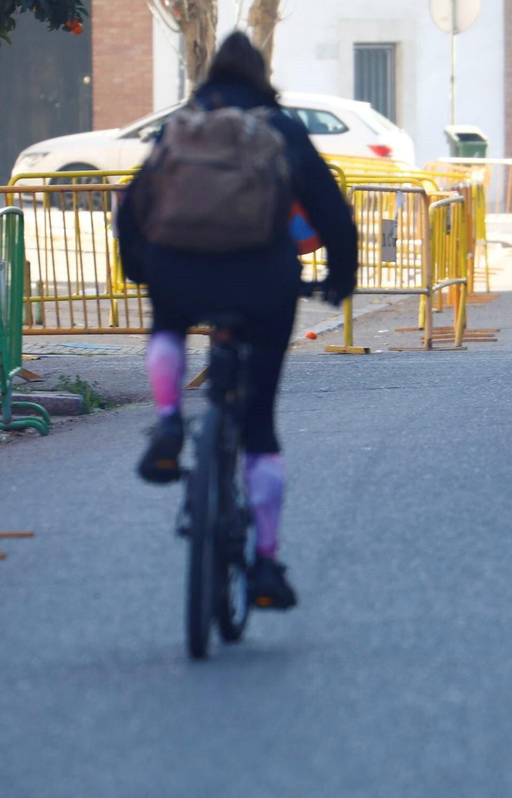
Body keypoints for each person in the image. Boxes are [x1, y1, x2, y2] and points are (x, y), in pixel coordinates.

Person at [115, 32, 357, 610]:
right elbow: (332, 212)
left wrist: (141, 270)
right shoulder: (281, 128)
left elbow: (133, 206)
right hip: (262, 281)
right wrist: (339, 280)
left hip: (180, 269)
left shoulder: (183, 124)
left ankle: (170, 422)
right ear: (261, 75)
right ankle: (266, 566)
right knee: (259, 429)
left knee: (168, 327)